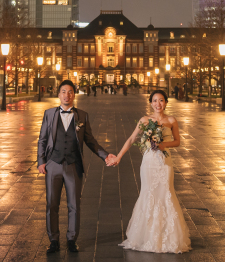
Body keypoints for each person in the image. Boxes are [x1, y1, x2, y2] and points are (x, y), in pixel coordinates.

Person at [107, 90, 191, 253]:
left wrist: (163, 145)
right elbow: (132, 139)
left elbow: (177, 141)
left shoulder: (172, 120)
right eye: (154, 101)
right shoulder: (145, 120)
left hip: (165, 161)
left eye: (161, 100)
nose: (158, 104)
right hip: (149, 161)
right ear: (151, 103)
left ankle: (168, 236)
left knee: (166, 192)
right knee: (148, 192)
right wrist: (118, 157)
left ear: (166, 102)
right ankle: (146, 236)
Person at [37, 81, 116, 254]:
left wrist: (105, 156)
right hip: (53, 164)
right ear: (59, 95)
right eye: (63, 92)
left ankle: (72, 239)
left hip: (74, 165)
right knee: (52, 204)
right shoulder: (49, 114)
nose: (67, 95)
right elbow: (42, 139)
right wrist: (41, 161)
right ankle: (54, 240)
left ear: (74, 94)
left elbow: (90, 141)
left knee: (74, 205)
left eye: (70, 92)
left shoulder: (82, 115)